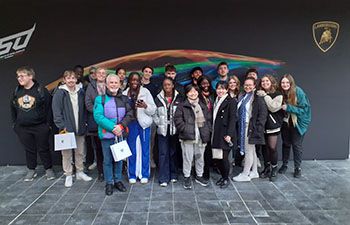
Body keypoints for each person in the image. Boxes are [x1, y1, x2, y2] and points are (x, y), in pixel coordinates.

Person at [11, 66, 55, 181]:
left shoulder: (40, 90)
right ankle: (31, 170)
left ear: (30, 76)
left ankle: (48, 169)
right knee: (29, 149)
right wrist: (15, 124)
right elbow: (13, 109)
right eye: (18, 76)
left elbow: (49, 108)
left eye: (22, 76)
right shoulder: (17, 91)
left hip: (40, 126)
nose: (19, 78)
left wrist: (48, 125)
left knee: (43, 148)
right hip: (23, 128)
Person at [94, 74, 134, 195]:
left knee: (119, 158)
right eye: (111, 82)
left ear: (120, 84)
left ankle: (118, 181)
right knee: (107, 160)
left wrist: (121, 126)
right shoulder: (99, 99)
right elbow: (98, 116)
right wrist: (113, 128)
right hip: (107, 136)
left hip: (120, 134)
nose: (113, 85)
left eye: (116, 82)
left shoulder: (124, 99)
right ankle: (109, 183)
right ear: (106, 84)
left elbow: (130, 113)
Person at [52, 70, 92, 187]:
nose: (71, 80)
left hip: (79, 127)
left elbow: (84, 109)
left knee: (79, 151)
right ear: (64, 80)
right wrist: (62, 126)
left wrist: (84, 123)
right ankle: (68, 174)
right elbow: (56, 112)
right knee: (66, 153)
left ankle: (79, 172)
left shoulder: (81, 92)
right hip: (66, 128)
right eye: (68, 78)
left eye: (73, 78)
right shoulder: (60, 93)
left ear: (76, 79)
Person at [174, 84, 211, 189]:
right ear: (186, 93)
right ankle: (187, 176)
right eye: (190, 91)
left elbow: (208, 119)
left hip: (201, 135)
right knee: (187, 157)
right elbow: (177, 120)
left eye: (195, 91)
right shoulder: (182, 105)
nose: (193, 93)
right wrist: (185, 129)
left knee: (200, 157)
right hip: (187, 136)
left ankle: (199, 176)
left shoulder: (202, 105)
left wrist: (207, 130)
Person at [123, 72, 156, 184]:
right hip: (130, 124)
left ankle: (144, 174)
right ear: (129, 81)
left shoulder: (145, 92)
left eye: (136, 80)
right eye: (132, 80)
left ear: (140, 81)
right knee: (131, 150)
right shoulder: (124, 93)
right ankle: (132, 174)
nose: (134, 82)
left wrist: (145, 106)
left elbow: (153, 110)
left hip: (143, 124)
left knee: (145, 150)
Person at [233, 78, 267, 182]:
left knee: (248, 150)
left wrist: (258, 129)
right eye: (246, 85)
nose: (248, 87)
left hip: (251, 127)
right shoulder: (243, 96)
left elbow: (262, 115)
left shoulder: (258, 98)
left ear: (254, 86)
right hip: (243, 126)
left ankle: (245, 174)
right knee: (252, 150)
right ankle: (255, 171)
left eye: (250, 85)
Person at [278, 74, 311, 178]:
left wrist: (288, 108)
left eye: (287, 82)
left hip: (297, 123)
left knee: (297, 146)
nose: (285, 84)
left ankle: (298, 168)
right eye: (283, 82)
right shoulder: (281, 92)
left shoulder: (298, 92)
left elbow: (304, 110)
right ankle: (284, 165)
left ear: (291, 83)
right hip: (285, 123)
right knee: (286, 144)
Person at [153, 77, 182, 186]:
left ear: (173, 85)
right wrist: (159, 123)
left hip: (175, 130)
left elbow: (181, 112)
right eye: (165, 85)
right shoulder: (158, 98)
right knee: (163, 153)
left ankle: (173, 174)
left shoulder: (179, 97)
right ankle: (163, 178)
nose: (167, 87)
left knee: (173, 152)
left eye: (169, 84)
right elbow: (154, 113)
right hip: (163, 130)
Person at [256, 75, 284, 181]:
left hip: (273, 125)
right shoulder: (258, 94)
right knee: (264, 148)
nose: (264, 83)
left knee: (272, 148)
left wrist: (265, 96)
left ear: (271, 82)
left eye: (267, 81)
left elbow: (273, 108)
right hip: (262, 125)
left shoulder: (278, 94)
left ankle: (274, 169)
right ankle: (267, 168)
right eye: (262, 81)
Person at [211, 81, 237, 188]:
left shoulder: (231, 101)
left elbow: (232, 119)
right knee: (218, 158)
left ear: (227, 89)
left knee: (224, 158)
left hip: (225, 134)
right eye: (218, 88)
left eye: (222, 88)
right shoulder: (216, 100)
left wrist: (229, 134)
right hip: (216, 133)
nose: (220, 90)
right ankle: (223, 176)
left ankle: (226, 178)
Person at [85, 67, 106, 181]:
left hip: (109, 121)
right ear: (96, 75)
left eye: (104, 73)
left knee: (110, 147)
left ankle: (110, 171)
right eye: (100, 73)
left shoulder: (110, 85)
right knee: (98, 148)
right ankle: (101, 172)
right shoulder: (90, 87)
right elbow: (88, 104)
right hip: (97, 122)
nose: (102, 75)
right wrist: (99, 113)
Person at [197, 75, 214, 180]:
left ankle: (207, 171)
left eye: (207, 83)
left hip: (212, 126)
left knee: (208, 151)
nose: (205, 85)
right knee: (200, 151)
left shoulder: (214, 94)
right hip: (201, 126)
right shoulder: (197, 96)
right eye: (203, 83)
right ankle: (200, 171)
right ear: (199, 84)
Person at [141, 65, 158, 169]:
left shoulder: (153, 87)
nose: (147, 73)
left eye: (149, 72)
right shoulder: (137, 85)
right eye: (146, 71)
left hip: (150, 117)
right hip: (138, 117)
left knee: (150, 140)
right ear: (142, 72)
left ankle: (150, 159)